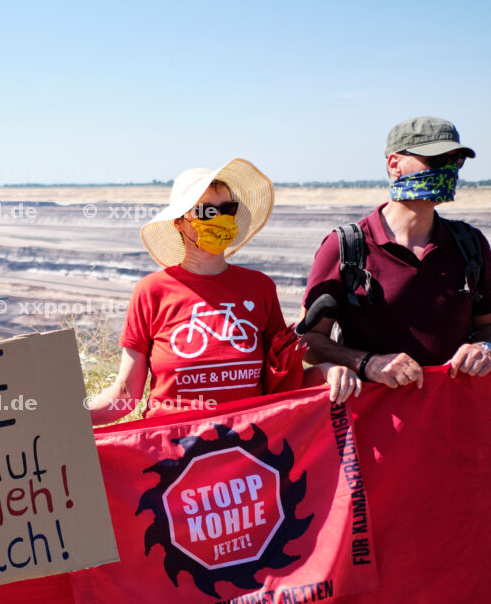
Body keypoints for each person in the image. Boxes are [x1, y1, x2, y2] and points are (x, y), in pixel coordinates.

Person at [89, 158, 360, 425]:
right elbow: (125, 393)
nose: (218, 218)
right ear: (179, 223)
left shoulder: (259, 288)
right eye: (206, 212)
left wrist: (326, 371)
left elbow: (281, 380)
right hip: (172, 451)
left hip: (244, 453)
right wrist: (73, 416)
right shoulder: (152, 291)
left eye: (227, 209)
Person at [299, 116, 491, 389]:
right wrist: (367, 363)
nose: (448, 170)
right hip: (375, 419)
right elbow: (308, 341)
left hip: (454, 416)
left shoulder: (470, 244)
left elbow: (490, 327)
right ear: (394, 164)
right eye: (436, 159)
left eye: (455, 161)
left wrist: (485, 348)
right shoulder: (346, 247)